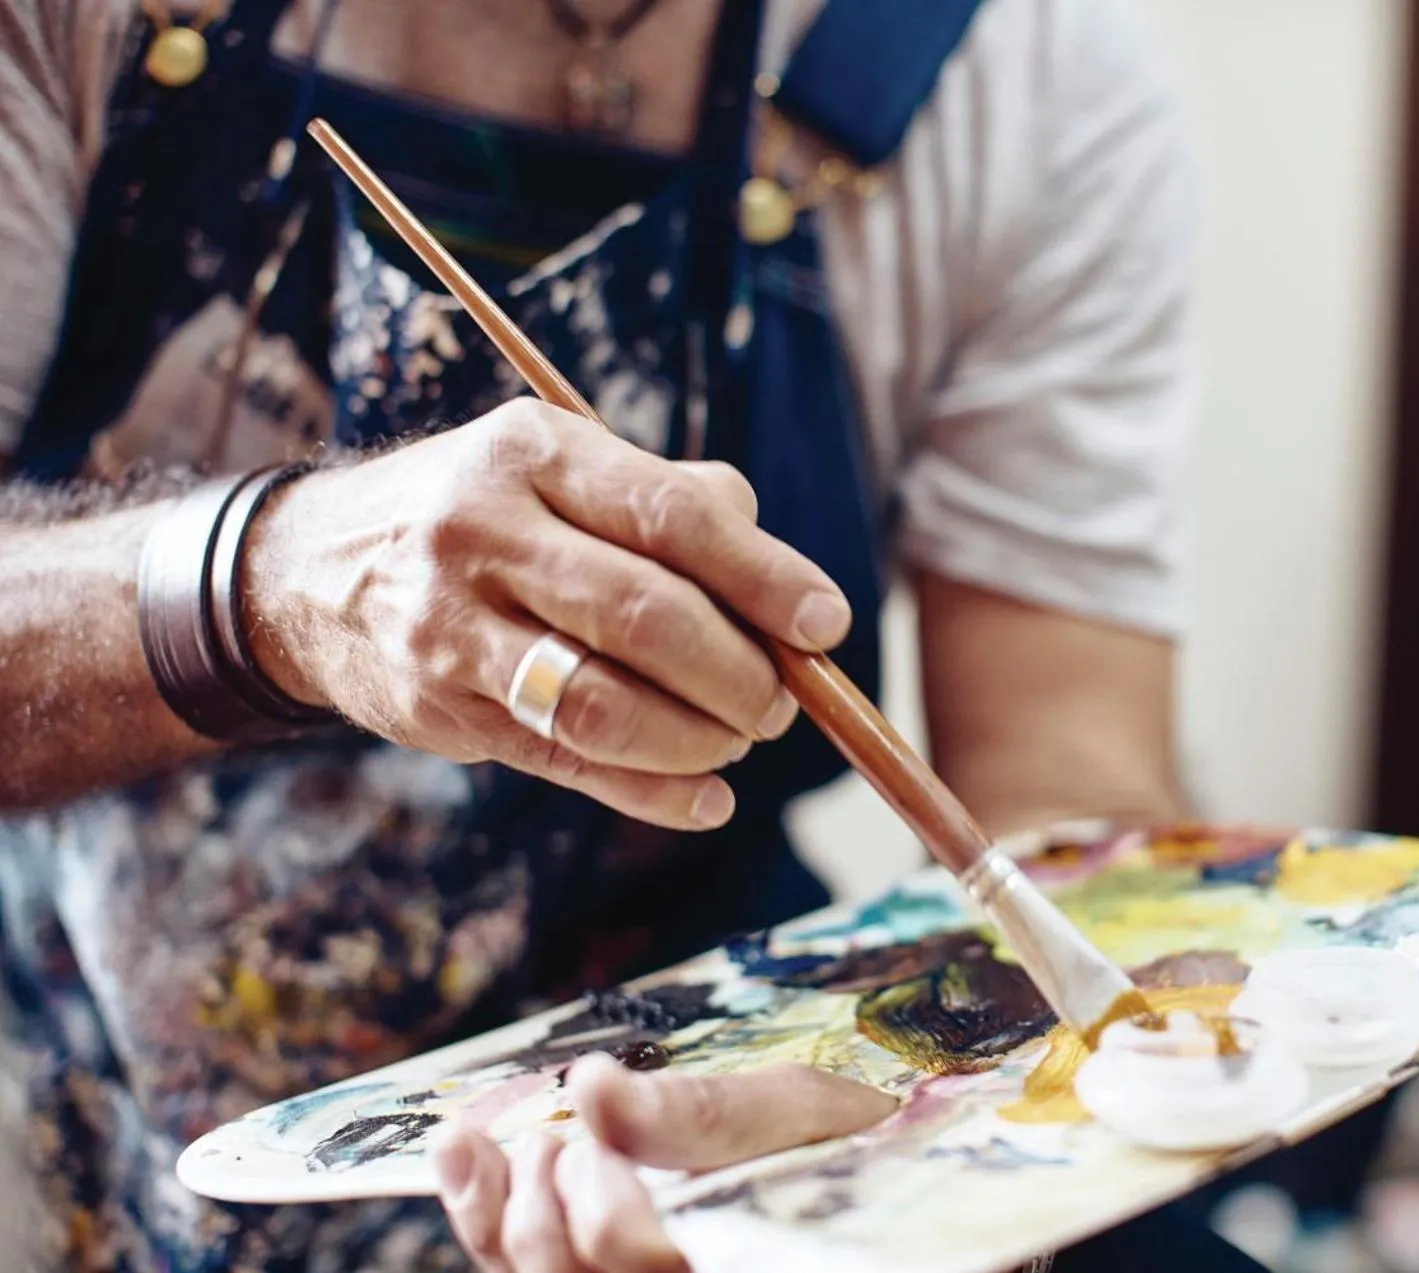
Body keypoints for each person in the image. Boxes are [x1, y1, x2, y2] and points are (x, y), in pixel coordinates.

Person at [0, 0, 1232, 1268]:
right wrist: (257, 588)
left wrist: (901, 1099)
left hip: (721, 1061)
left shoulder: (1017, 76)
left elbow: (1069, 787)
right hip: (106, 1127)